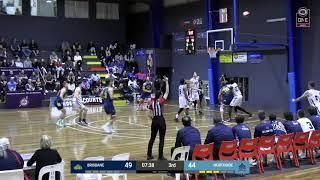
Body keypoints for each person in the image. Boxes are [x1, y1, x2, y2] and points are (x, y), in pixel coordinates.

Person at [147, 76, 169, 160]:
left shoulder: (152, 102)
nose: (163, 95)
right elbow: (167, 92)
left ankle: (149, 155)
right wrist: (167, 82)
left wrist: (153, 119)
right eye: (162, 94)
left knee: (152, 138)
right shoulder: (161, 101)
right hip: (160, 120)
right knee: (161, 139)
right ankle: (160, 156)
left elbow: (149, 114)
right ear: (160, 95)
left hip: (154, 120)